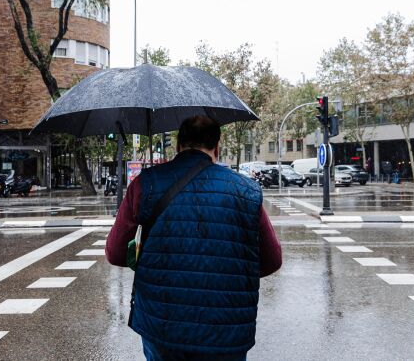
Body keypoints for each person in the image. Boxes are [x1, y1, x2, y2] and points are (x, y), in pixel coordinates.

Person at [106, 115, 282, 361]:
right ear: (217, 148)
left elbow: (115, 253)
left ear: (178, 145)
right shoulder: (246, 190)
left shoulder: (145, 184)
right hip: (226, 327)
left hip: (162, 324)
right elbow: (271, 260)